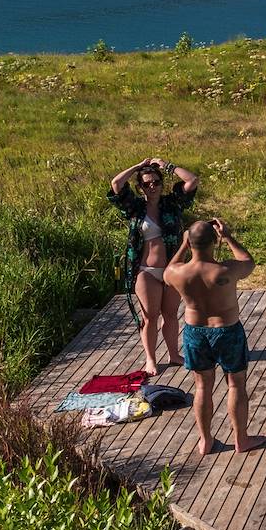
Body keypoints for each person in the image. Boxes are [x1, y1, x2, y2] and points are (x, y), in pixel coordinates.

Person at [165, 218, 262, 456]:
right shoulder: (225, 270)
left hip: (195, 333)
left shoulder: (178, 273)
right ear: (214, 241)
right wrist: (228, 237)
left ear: (190, 243)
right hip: (227, 330)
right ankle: (241, 439)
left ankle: (205, 440)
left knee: (202, 386)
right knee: (236, 384)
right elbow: (248, 262)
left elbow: (168, 270)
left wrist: (182, 246)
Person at [108, 157, 198, 375]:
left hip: (171, 270)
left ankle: (174, 354)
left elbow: (192, 180)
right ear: (140, 187)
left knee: (170, 314)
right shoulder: (135, 207)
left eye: (156, 182)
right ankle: (150, 359)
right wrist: (138, 167)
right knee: (150, 316)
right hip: (146, 271)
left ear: (161, 183)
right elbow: (116, 185)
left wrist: (167, 166)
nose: (152, 187)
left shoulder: (171, 203)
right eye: (146, 183)